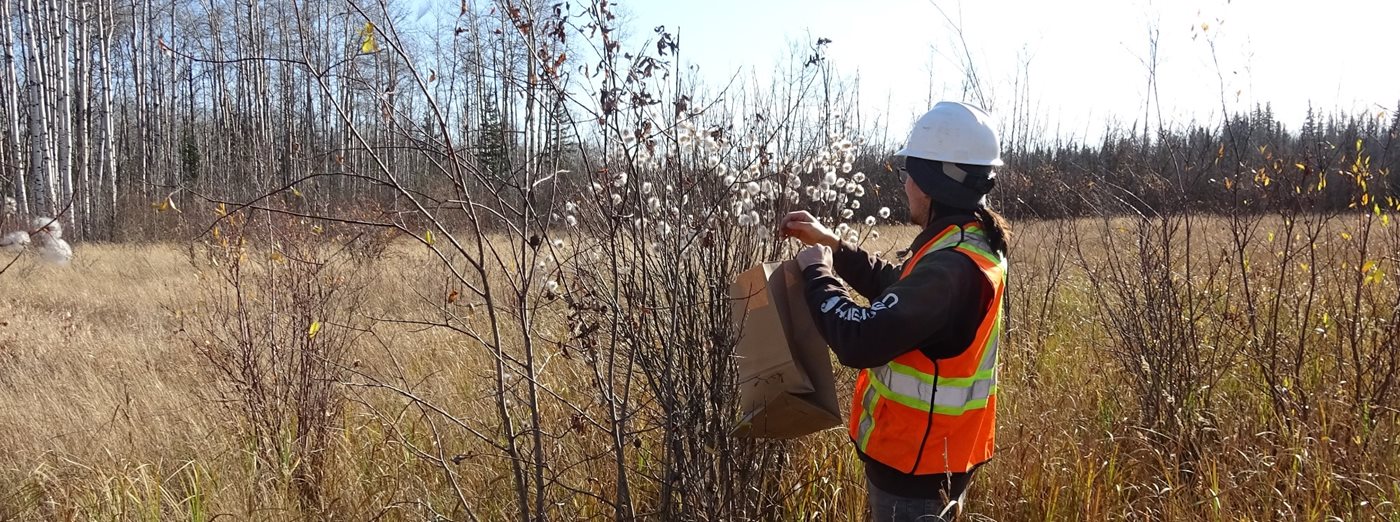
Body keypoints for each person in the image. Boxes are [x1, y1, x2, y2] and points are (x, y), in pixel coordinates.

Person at [781, 101, 1010, 521]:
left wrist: (817, 273)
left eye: (909, 175)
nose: (905, 186)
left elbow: (860, 340)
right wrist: (833, 246)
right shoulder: (963, 244)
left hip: (916, 472)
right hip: (935, 460)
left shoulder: (954, 269)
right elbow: (900, 287)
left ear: (928, 183)